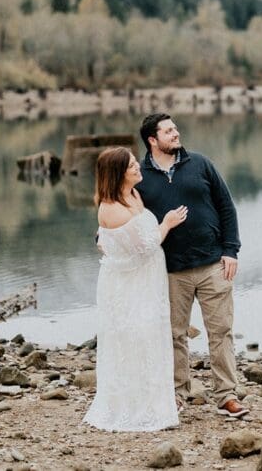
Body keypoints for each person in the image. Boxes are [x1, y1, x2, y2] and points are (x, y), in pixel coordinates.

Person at [135, 113, 250, 418]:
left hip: (214, 264)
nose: (176, 133)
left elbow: (226, 206)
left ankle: (226, 396)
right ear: (152, 140)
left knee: (221, 331)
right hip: (170, 271)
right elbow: (127, 216)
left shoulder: (200, 163)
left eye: (175, 128)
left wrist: (231, 250)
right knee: (173, 335)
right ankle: (177, 395)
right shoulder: (139, 176)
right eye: (168, 130)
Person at [83, 147, 188, 432]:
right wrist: (166, 223)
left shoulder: (132, 195)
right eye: (131, 165)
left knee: (151, 335)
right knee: (132, 337)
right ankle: (131, 406)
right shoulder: (111, 208)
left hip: (146, 280)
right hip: (129, 284)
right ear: (118, 173)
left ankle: (155, 401)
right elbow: (144, 247)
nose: (138, 167)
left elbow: (107, 242)